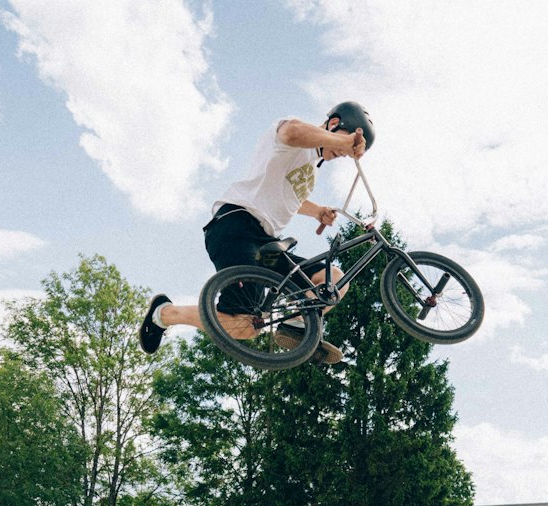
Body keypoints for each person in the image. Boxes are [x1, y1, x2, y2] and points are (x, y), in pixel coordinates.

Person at [138, 102, 376, 366]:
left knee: (331, 282)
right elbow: (291, 132)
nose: (344, 153)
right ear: (333, 124)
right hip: (236, 224)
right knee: (243, 322)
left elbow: (287, 197)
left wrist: (317, 211)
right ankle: (164, 314)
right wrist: (341, 141)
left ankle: (295, 324)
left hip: (267, 244)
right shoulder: (295, 134)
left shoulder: (310, 169)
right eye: (345, 142)